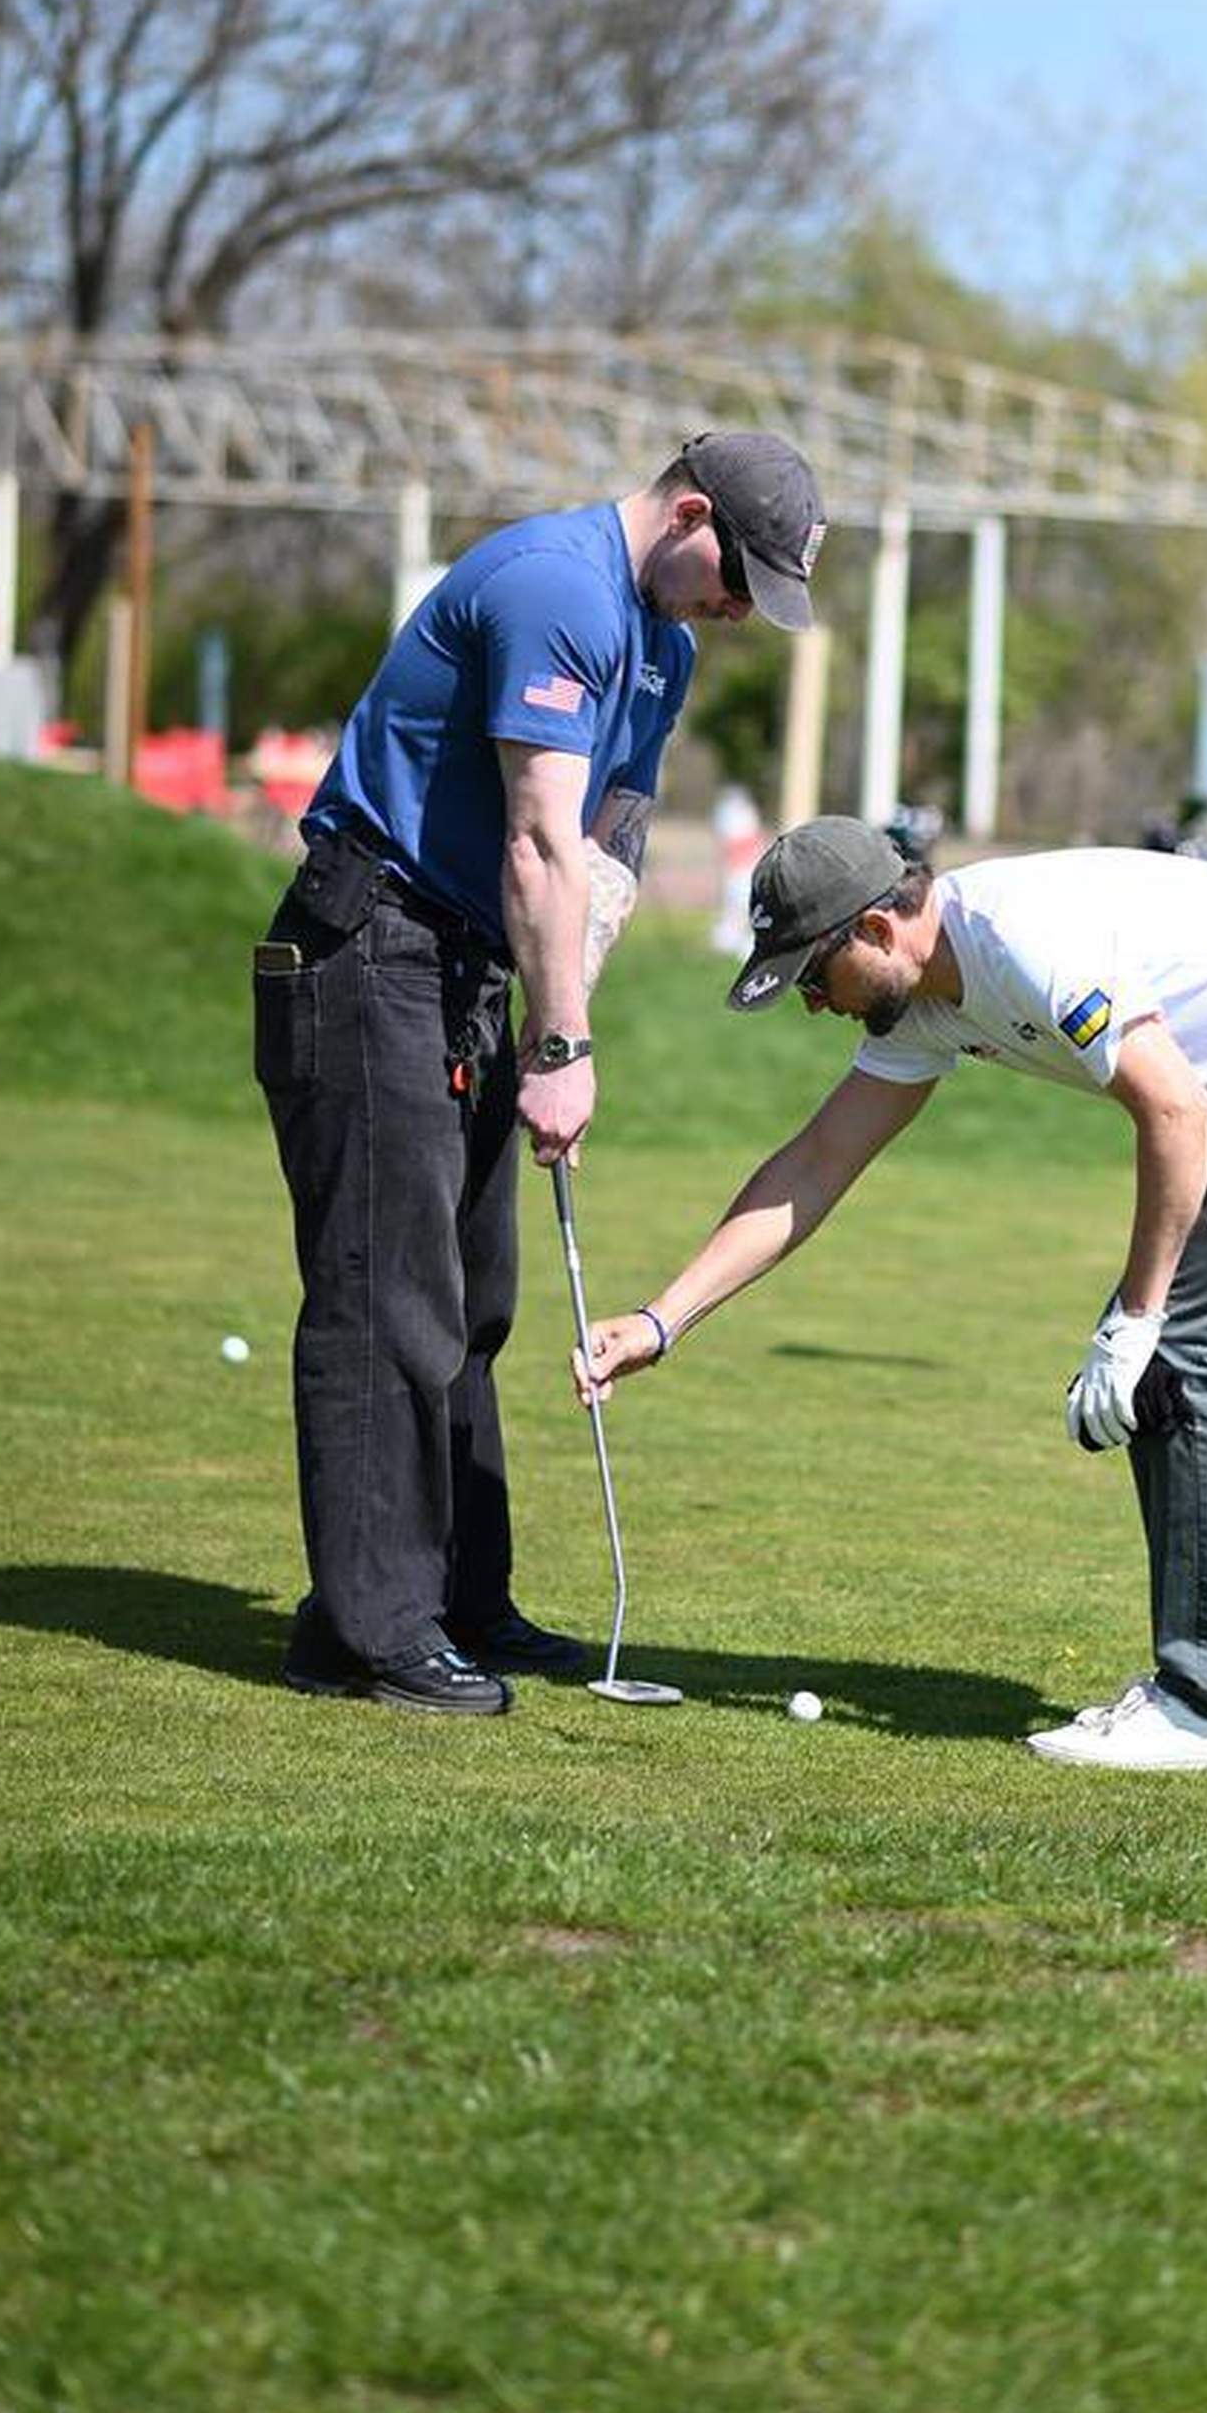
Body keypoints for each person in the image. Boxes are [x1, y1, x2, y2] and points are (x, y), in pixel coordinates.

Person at [574, 816, 1207, 1772]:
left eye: (813, 976)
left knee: (1187, 1358)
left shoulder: (1021, 944)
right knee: (1169, 1356)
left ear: (875, 930)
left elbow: (1174, 1108)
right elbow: (817, 1164)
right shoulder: (918, 1000)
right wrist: (665, 1318)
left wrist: (1134, 1318)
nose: (815, 1005)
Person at [253, 433, 826, 1716]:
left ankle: (458, 1598)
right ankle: (363, 1632)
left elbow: (609, 844)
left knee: (474, 1298)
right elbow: (532, 840)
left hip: (463, 972)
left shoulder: (661, 642)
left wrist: (567, 1008)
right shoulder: (558, 588)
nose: (739, 613)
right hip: (367, 946)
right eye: (741, 579)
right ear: (690, 514)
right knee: (383, 1293)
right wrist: (562, 1048)